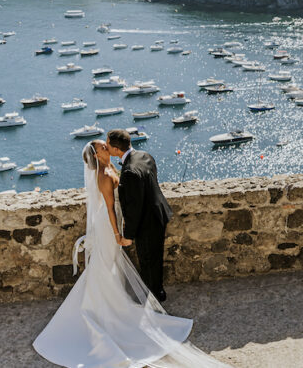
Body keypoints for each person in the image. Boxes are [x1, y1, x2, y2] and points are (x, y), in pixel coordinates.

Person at [33, 141, 229, 367]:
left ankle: (108, 300)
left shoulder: (111, 169)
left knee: (111, 265)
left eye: (106, 145)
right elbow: (108, 208)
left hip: (113, 219)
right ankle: (100, 306)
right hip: (108, 225)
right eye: (102, 147)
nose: (106, 147)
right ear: (96, 155)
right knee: (105, 264)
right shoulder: (103, 176)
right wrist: (118, 233)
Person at [107, 128, 172, 302]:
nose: (107, 148)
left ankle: (155, 299)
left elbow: (134, 208)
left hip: (147, 222)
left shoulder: (129, 172)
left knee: (148, 262)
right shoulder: (145, 155)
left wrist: (128, 236)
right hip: (160, 213)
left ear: (115, 150)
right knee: (156, 257)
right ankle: (158, 292)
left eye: (108, 145)